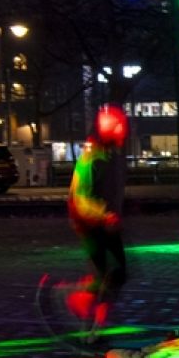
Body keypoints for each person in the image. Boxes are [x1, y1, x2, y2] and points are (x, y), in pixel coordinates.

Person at [64, 104, 130, 345]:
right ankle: (81, 306)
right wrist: (105, 214)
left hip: (107, 224)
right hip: (90, 224)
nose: (124, 129)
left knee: (116, 274)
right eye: (119, 125)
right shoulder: (92, 156)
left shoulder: (113, 155)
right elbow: (81, 196)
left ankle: (95, 324)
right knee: (105, 274)